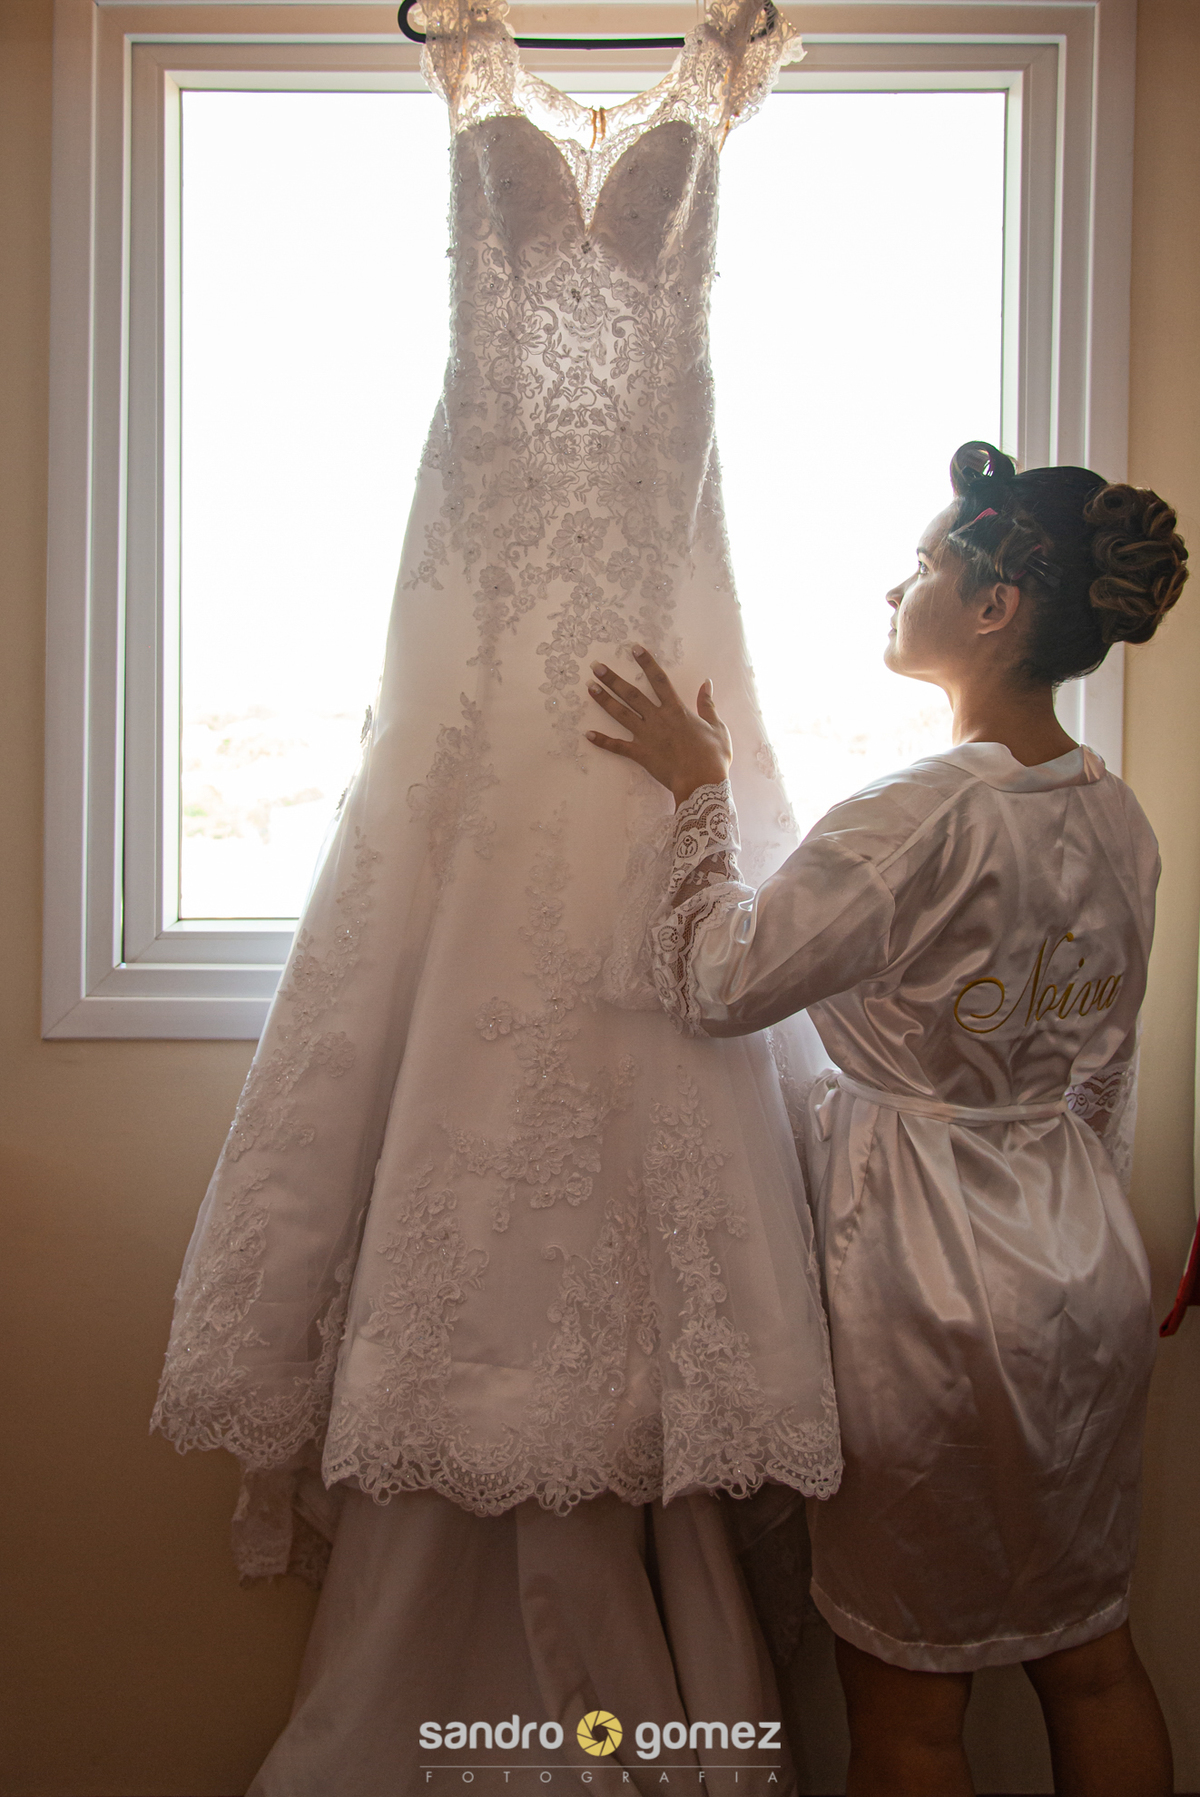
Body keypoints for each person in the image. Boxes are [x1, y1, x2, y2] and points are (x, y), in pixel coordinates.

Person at [586, 440, 1188, 1797]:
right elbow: (1106, 1070)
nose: (895, 586)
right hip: (1081, 1261)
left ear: (994, 606)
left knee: (912, 1700)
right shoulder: (1122, 820)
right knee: (1092, 1653)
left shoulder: (917, 813)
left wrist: (697, 791)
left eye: (923, 563)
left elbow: (722, 979)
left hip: (928, 1280)